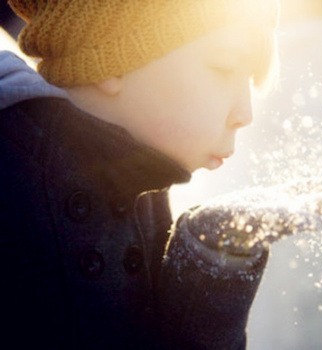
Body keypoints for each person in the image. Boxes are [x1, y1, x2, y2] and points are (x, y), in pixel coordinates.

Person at [0, 1, 280, 349]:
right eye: (224, 68)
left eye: (250, 83)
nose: (245, 113)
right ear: (108, 55)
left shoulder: (144, 192)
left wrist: (212, 270)